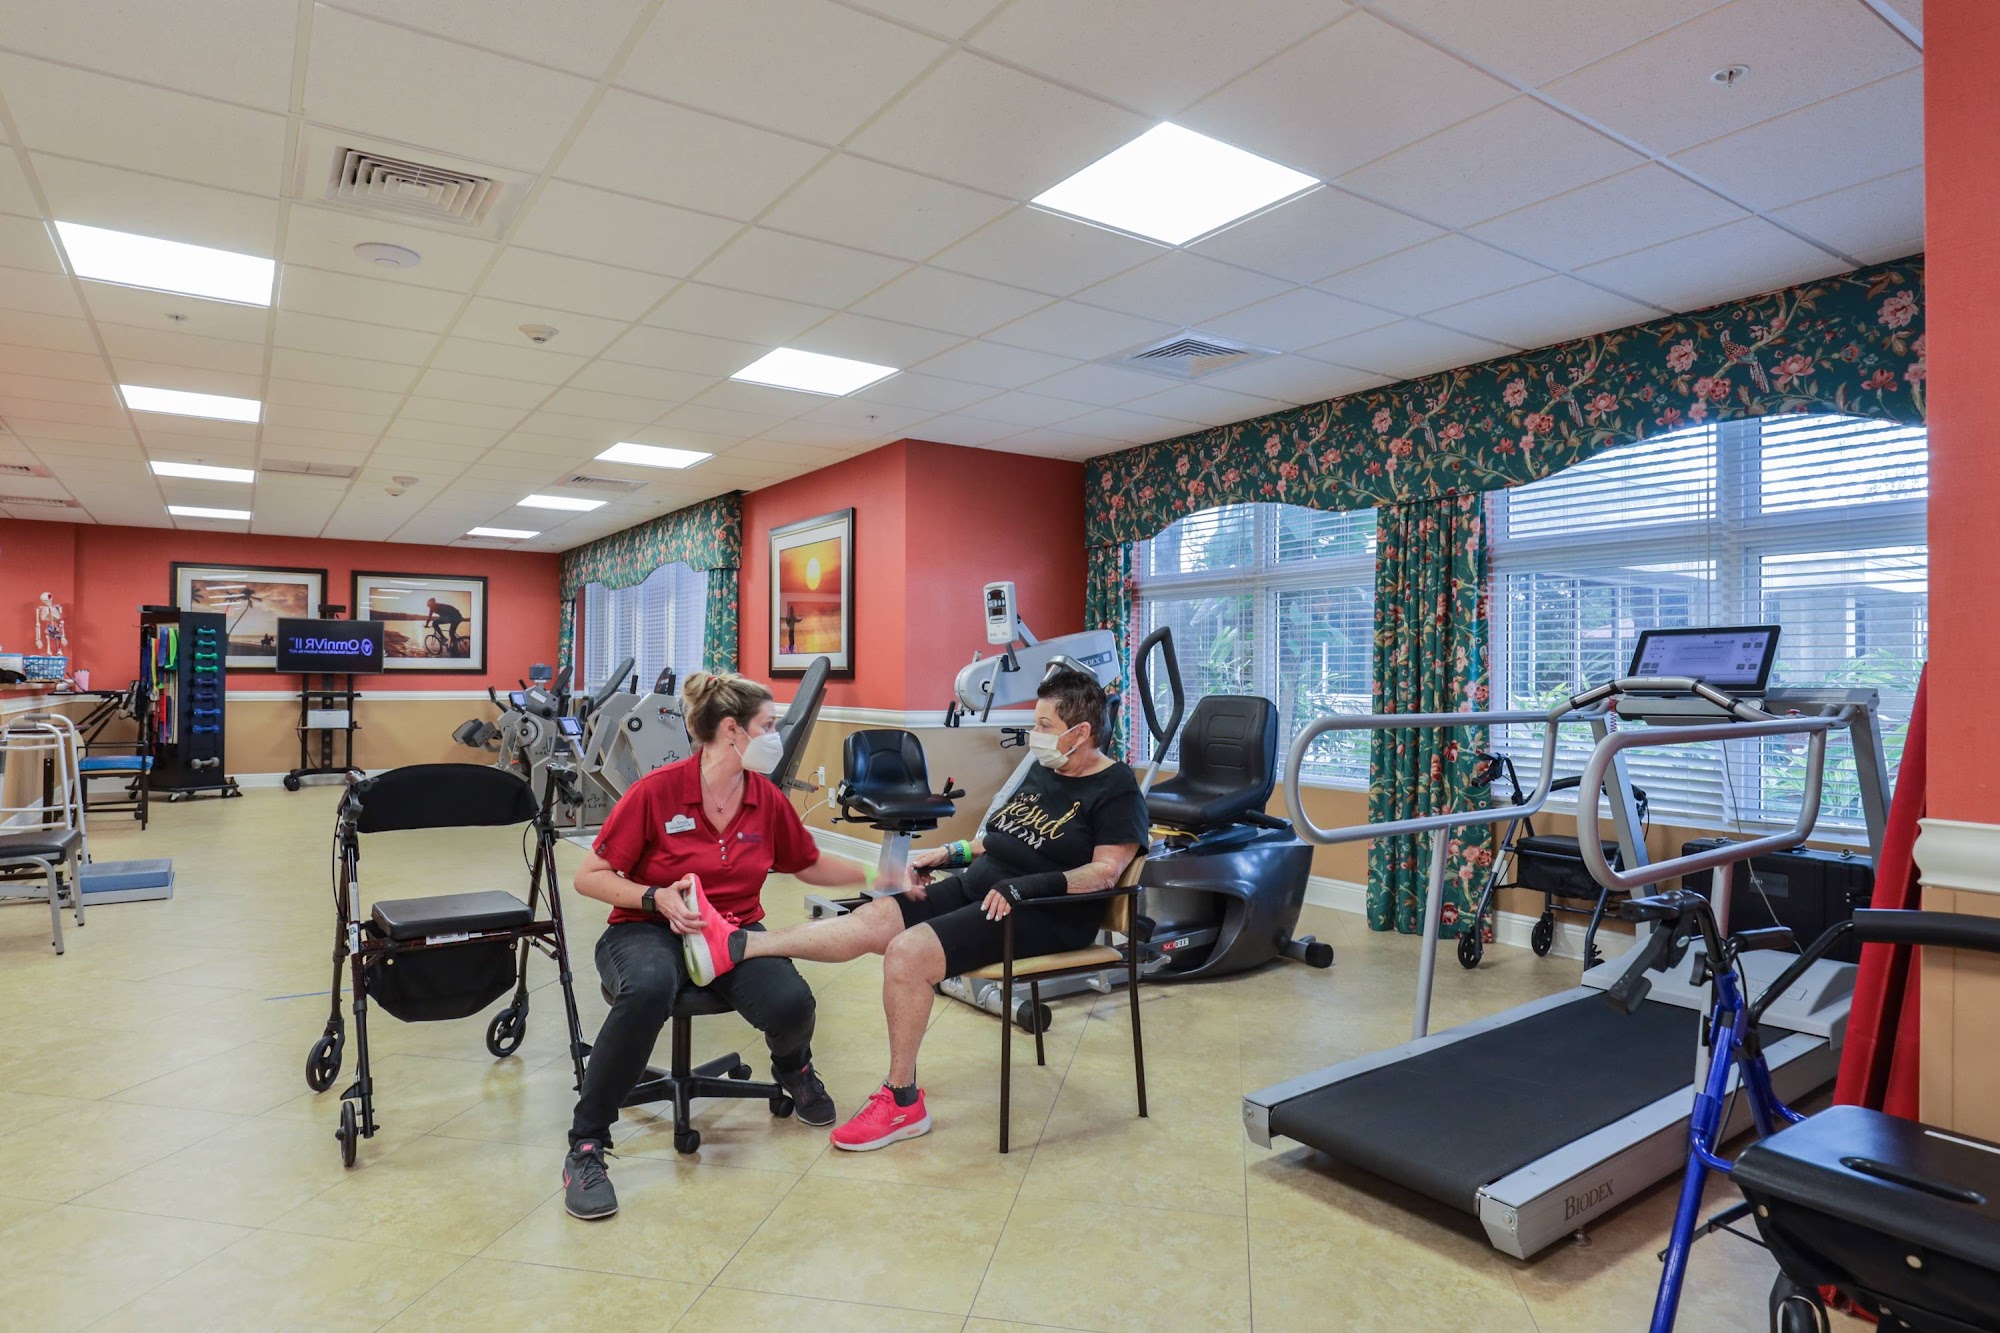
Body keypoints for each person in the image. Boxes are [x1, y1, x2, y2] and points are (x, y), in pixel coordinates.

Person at [682, 669, 1146, 1152]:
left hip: (1044, 912)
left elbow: (1105, 873)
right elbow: (1000, 840)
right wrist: (949, 853)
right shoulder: (1046, 769)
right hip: (985, 890)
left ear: (1081, 732)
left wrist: (1028, 886)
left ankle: (902, 1101)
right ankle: (738, 943)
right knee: (875, 917)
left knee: (907, 954)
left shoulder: (1115, 788)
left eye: (1045, 726)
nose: (1036, 734)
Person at [561, 670, 868, 1220]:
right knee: (647, 989)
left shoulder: (766, 798)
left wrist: (881, 874)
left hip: (733, 928)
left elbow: (808, 863)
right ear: (732, 730)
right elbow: (591, 876)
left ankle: (794, 1068)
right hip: (645, 926)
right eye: (768, 725)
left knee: (792, 1004)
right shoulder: (656, 792)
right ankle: (586, 1144)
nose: (775, 736)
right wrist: (655, 897)